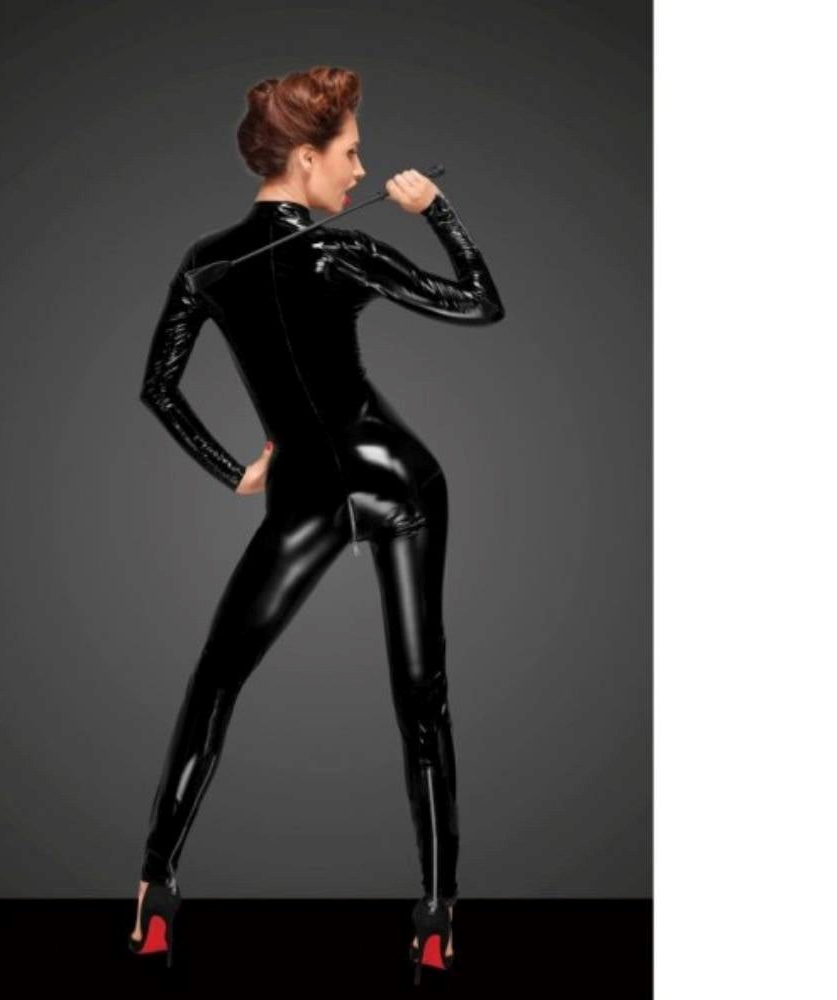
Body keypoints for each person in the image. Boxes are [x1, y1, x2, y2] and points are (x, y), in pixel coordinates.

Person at [128, 66, 504, 979]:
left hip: (303, 490)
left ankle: (154, 895)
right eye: (351, 153)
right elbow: (479, 302)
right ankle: (437, 919)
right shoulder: (339, 251)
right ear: (304, 157)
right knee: (421, 697)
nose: (361, 170)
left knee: (216, 681)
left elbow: (158, 389)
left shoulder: (208, 261)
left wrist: (234, 470)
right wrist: (437, 213)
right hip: (395, 477)